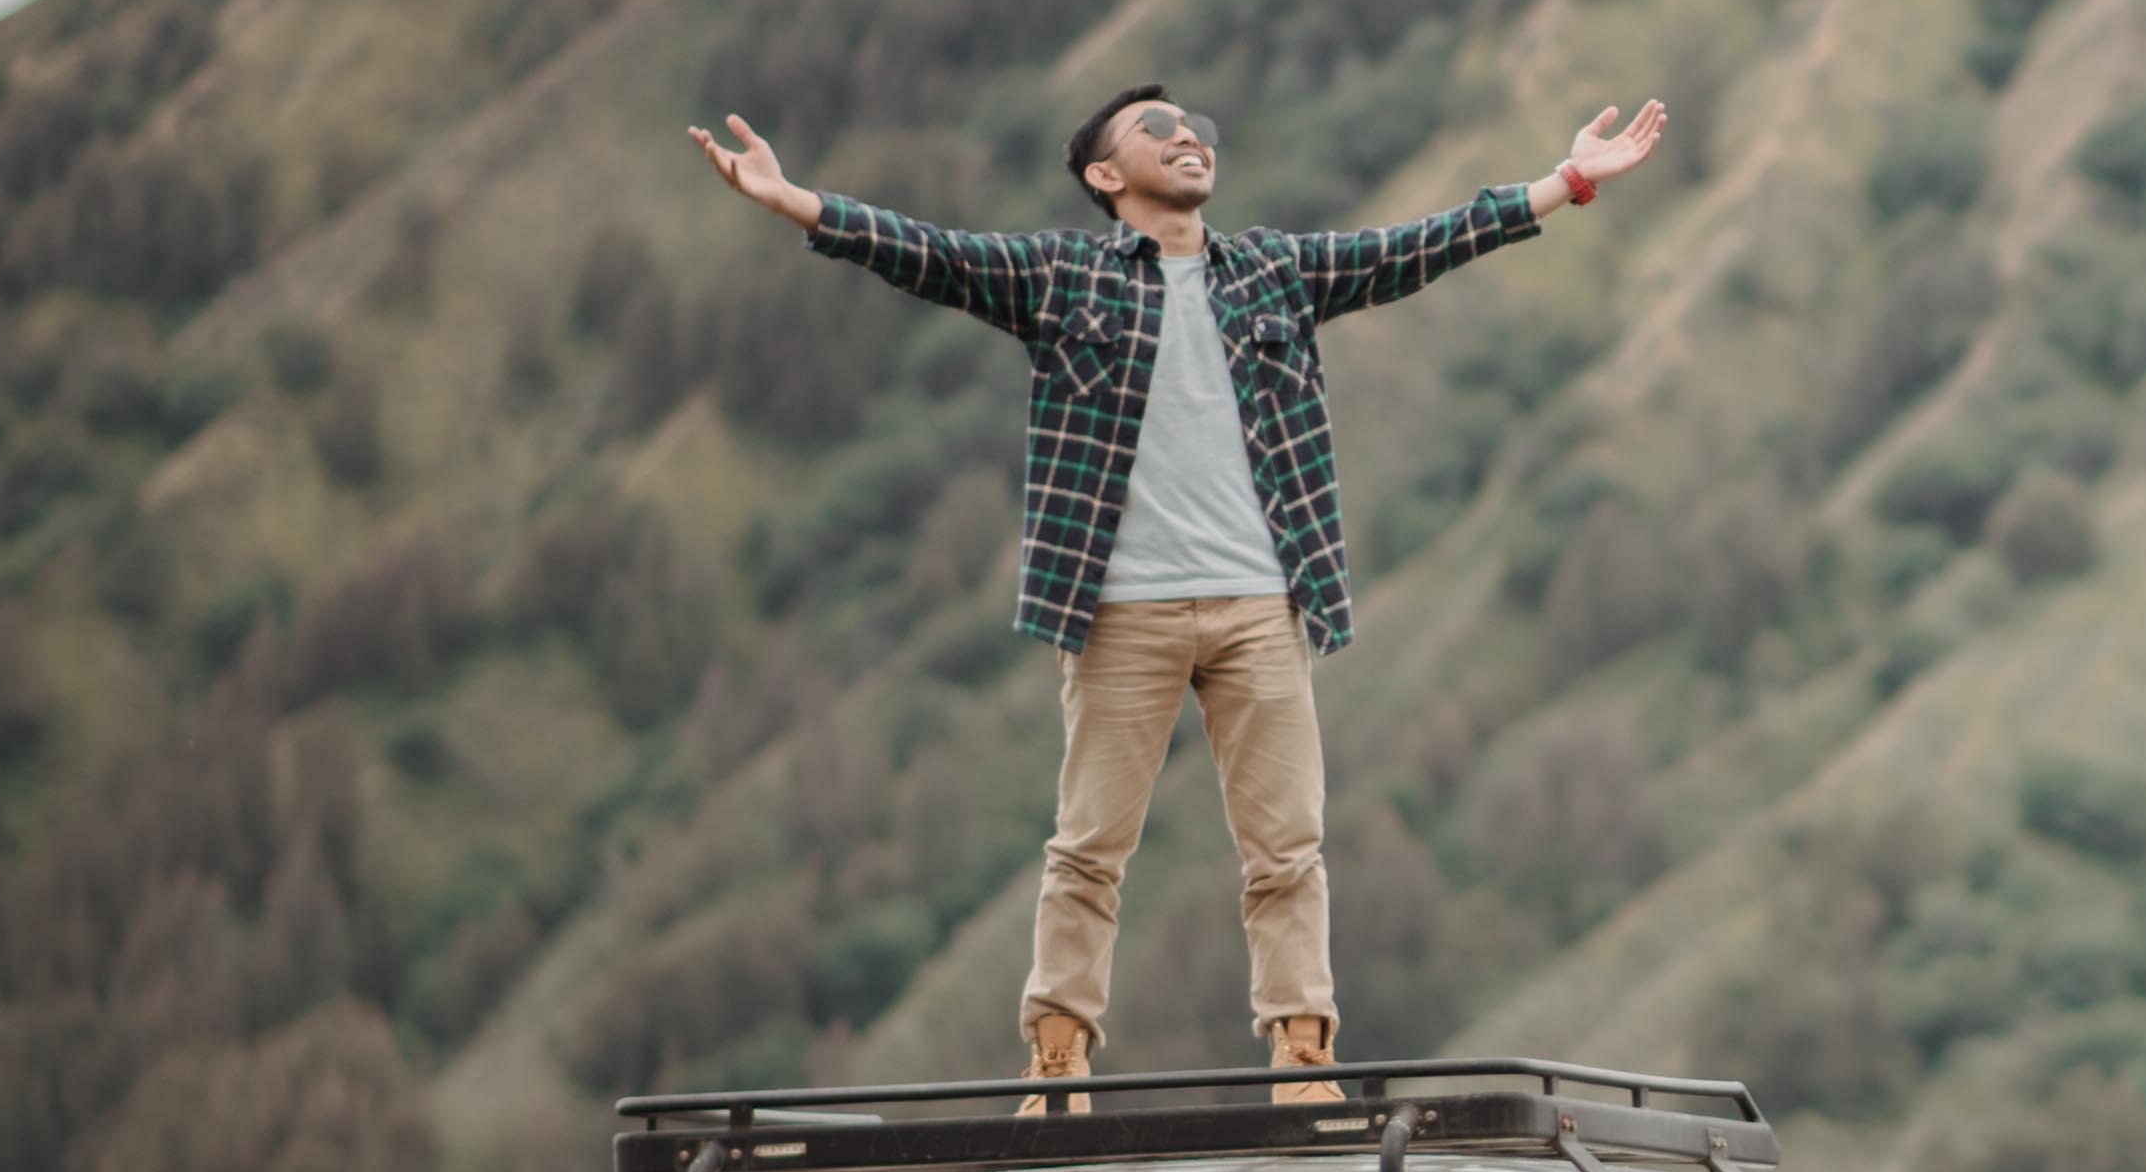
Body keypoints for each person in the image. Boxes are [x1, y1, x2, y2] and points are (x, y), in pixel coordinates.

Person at [691, 83, 1665, 1097]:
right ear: (1105, 176)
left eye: (1196, 125)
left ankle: (1301, 1053)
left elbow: (1417, 244)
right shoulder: (1060, 275)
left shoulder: (1274, 271)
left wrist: (1566, 183)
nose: (1188, 135)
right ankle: (1057, 1053)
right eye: (1156, 129)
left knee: (1287, 847)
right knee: (1087, 848)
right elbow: (930, 251)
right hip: (1119, 610)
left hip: (1260, 600)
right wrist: (794, 201)